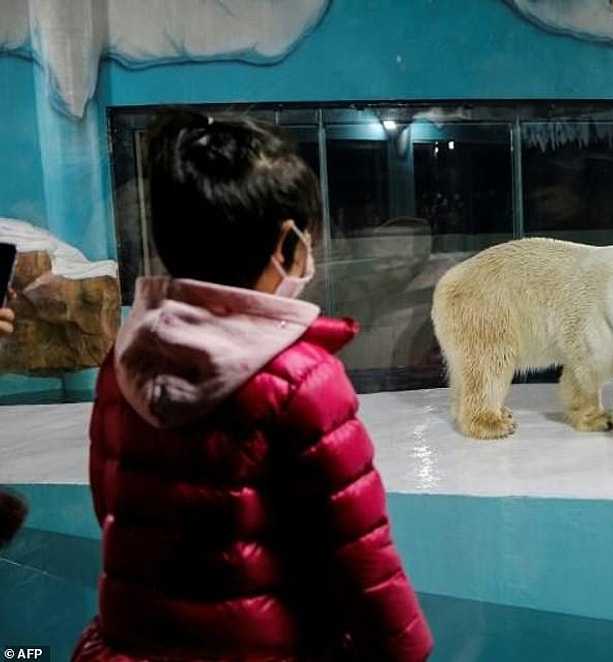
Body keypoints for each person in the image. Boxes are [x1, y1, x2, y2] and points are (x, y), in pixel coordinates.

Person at [71, 107, 433, 661]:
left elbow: (114, 509)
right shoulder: (301, 380)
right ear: (288, 244)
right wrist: (405, 650)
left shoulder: (125, 356)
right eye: (310, 237)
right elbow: (359, 554)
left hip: (131, 644)